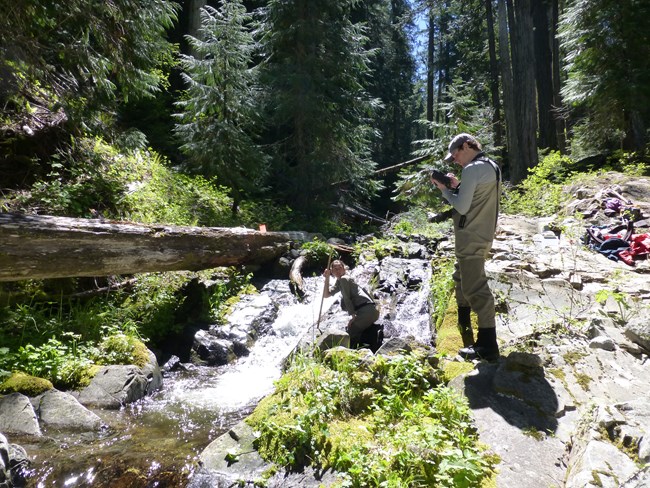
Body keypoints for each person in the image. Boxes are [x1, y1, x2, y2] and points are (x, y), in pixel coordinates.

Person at [430, 133, 501, 361]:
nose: (456, 161)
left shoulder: (472, 169)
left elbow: (461, 206)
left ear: (466, 146)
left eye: (456, 155)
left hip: (471, 236)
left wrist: (444, 189)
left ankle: (487, 344)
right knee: (461, 277)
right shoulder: (490, 166)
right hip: (483, 233)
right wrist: (458, 185)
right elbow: (477, 197)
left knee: (476, 289)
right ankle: (462, 320)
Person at [323, 260, 381, 351]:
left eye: (340, 268)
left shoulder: (344, 279)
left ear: (344, 268)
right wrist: (327, 278)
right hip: (370, 311)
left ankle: (351, 354)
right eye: (335, 269)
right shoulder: (340, 281)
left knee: (350, 333)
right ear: (332, 271)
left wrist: (353, 316)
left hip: (366, 311)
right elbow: (326, 295)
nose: (338, 270)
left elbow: (347, 298)